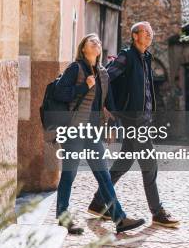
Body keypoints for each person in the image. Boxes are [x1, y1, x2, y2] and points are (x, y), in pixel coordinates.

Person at [88, 22, 180, 228]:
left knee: (124, 163)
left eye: (151, 32)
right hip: (133, 119)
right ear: (135, 36)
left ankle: (97, 202)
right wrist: (106, 106)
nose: (150, 35)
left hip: (143, 119)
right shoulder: (127, 56)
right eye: (146, 32)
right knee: (150, 165)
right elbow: (105, 77)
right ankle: (157, 212)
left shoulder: (145, 57)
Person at [54, 33, 145, 235]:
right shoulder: (75, 68)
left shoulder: (103, 73)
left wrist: (112, 125)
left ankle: (119, 219)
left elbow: (108, 102)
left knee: (103, 176)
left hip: (93, 132)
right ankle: (63, 216)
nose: (96, 43)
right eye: (91, 41)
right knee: (69, 174)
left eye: (98, 41)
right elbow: (60, 93)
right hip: (74, 131)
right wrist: (82, 87)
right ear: (83, 48)